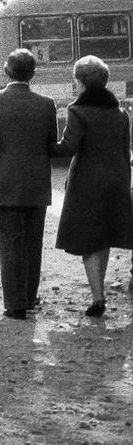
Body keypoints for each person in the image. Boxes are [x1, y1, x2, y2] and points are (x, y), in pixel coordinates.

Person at [0, 48, 58, 319]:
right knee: (33, 243)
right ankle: (30, 297)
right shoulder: (47, 103)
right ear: (32, 74)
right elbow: (51, 145)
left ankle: (15, 304)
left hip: (3, 183)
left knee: (10, 244)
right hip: (36, 183)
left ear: (6, 71)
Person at [49, 55, 133, 318]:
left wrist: (44, 145)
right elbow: (125, 152)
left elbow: (69, 147)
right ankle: (100, 293)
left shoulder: (77, 112)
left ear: (82, 82)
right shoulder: (121, 114)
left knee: (88, 240)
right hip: (117, 181)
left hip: (87, 183)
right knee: (105, 236)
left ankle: (98, 297)